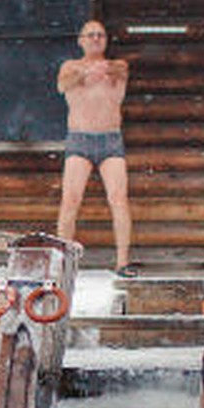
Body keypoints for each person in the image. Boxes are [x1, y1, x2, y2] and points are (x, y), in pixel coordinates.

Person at [55, 19, 137, 277]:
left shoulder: (117, 66)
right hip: (79, 139)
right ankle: (62, 260)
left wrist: (103, 69)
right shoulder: (70, 67)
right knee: (70, 200)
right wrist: (85, 72)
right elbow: (62, 84)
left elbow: (119, 71)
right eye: (90, 35)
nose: (95, 39)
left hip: (110, 139)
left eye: (100, 35)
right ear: (80, 40)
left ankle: (122, 262)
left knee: (118, 200)